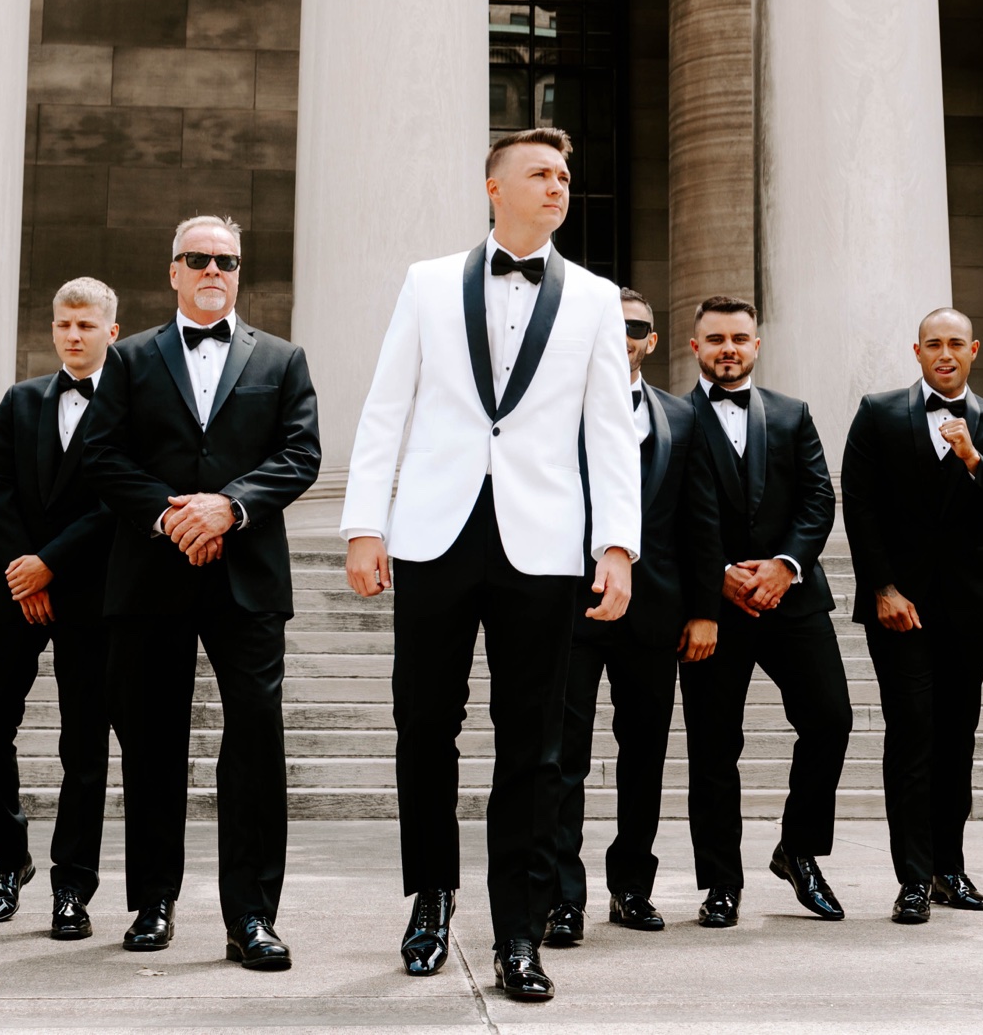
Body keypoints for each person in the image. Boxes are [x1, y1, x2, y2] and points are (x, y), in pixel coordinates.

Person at [342, 128, 639, 1003]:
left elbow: (609, 433)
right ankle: (430, 899)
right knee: (424, 727)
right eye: (541, 174)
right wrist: (366, 523)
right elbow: (385, 406)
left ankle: (519, 929)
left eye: (565, 176)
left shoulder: (590, 298)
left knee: (536, 746)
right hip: (434, 533)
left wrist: (615, 545)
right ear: (493, 187)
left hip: (543, 546)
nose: (559, 186)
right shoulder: (428, 283)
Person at [83, 216, 320, 971]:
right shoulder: (127, 357)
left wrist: (229, 505)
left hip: (247, 576)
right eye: (200, 258)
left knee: (255, 744)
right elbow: (102, 453)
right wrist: (170, 513)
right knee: (152, 742)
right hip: (151, 574)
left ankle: (251, 915)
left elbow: (300, 453)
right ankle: (153, 901)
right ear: (174, 270)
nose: (215, 268)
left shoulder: (283, 359)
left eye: (228, 260)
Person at [544, 288, 721, 945]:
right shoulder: (555, 412)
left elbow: (702, 521)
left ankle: (631, 888)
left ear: (652, 339)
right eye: (611, 326)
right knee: (562, 756)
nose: (622, 336)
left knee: (643, 755)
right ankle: (563, 896)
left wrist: (705, 610)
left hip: (655, 614)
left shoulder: (682, 416)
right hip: (572, 607)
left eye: (635, 328)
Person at [841, 308, 983, 925]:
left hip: (968, 608)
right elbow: (860, 508)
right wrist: (882, 589)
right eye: (933, 344)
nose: (944, 353)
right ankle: (913, 879)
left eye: (955, 344)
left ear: (974, 350)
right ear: (916, 352)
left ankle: (951, 868)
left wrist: (975, 458)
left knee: (957, 738)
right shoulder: (878, 412)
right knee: (912, 735)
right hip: (900, 607)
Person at [677, 296, 854, 929]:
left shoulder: (792, 412)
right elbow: (666, 509)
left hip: (793, 600)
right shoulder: (673, 418)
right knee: (713, 747)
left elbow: (817, 496)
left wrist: (787, 565)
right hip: (711, 610)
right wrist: (715, 577)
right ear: (694, 347)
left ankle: (798, 849)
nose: (729, 348)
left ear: (757, 345)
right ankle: (721, 883)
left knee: (832, 719)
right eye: (716, 338)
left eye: (740, 338)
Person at [0, 279, 121, 937]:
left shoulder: (132, 402)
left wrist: (51, 562)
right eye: (64, 323)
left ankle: (73, 887)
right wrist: (24, 570)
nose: (73, 334)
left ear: (111, 331)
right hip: (14, 588)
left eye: (86, 324)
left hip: (91, 590)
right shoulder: (20, 398)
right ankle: (9, 860)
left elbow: (117, 499)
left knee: (84, 744)